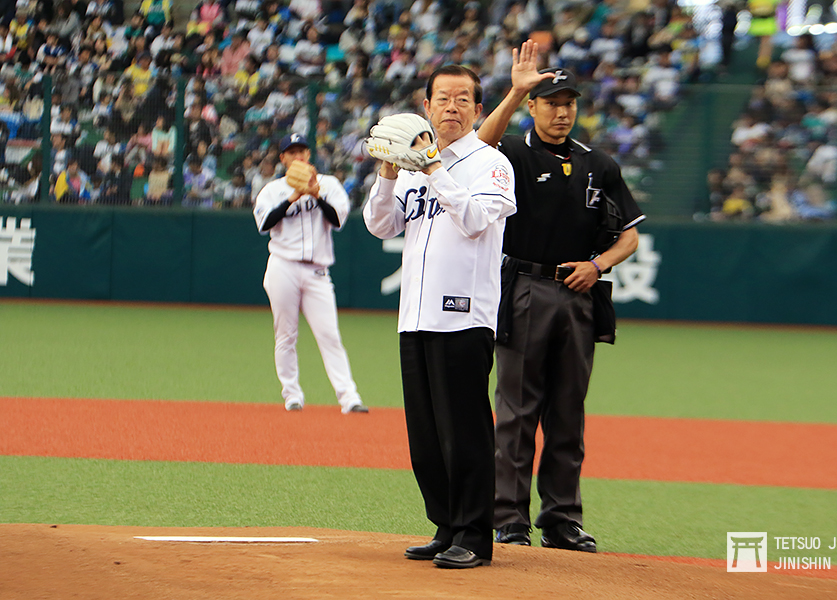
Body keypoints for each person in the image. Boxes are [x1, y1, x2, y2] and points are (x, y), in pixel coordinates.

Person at [477, 42, 645, 552]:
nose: (562, 110)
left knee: (568, 412)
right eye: (551, 101)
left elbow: (630, 235)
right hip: (524, 287)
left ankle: (562, 519)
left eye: (569, 102)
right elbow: (476, 148)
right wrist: (515, 88)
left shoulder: (600, 164)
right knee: (517, 410)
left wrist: (599, 265)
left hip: (579, 296)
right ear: (533, 106)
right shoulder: (511, 154)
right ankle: (509, 519)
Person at [362, 65, 517, 569]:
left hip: (465, 317)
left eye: (462, 99)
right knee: (426, 436)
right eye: (442, 98)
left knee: (465, 431)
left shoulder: (490, 164)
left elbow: (474, 221)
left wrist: (433, 167)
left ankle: (474, 535)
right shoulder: (408, 168)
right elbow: (380, 224)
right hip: (416, 317)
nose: (451, 106)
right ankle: (446, 525)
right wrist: (389, 172)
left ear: (477, 110)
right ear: (425, 107)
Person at [253, 133, 368, 415]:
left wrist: (316, 194)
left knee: (329, 334)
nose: (298, 157)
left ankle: (349, 397)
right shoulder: (272, 190)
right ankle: (292, 394)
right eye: (291, 152)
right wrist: (294, 196)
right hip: (283, 266)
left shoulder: (328, 184)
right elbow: (265, 223)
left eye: (302, 151)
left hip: (317, 270)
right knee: (286, 335)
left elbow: (338, 219)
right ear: (283, 159)